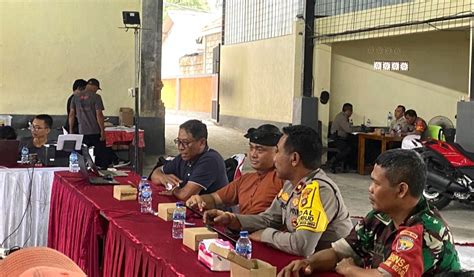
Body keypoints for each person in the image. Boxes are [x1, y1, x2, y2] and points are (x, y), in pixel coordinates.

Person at [278, 149, 460, 277]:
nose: (370, 189)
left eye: (377, 184)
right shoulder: (379, 217)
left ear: (401, 190)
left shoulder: (425, 230)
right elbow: (341, 252)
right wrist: (309, 263)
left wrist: (350, 270)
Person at [203, 125, 352, 257]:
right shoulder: (291, 184)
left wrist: (265, 235)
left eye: (278, 152)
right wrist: (232, 219)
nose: (274, 159)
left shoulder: (318, 190)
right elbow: (270, 219)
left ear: (294, 158)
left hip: (330, 267)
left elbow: (302, 245)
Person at [186, 124, 284, 215]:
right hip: (241, 231)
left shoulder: (284, 181)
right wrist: (199, 200)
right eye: (251, 148)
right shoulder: (246, 179)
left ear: (277, 151)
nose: (253, 154)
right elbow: (215, 198)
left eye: (260, 150)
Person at [150, 119, 229, 201]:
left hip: (212, 212)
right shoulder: (185, 157)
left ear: (202, 143)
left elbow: (185, 195)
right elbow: (154, 175)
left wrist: (173, 189)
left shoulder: (210, 160)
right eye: (178, 141)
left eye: (186, 142)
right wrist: (163, 177)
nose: (180, 147)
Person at [68, 78, 109, 168]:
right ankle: (99, 173)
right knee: (99, 157)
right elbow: (99, 114)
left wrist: (71, 130)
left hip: (81, 131)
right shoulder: (96, 97)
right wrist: (102, 130)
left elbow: (71, 115)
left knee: (83, 156)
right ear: (94, 86)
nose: (96, 91)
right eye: (97, 88)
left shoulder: (75, 97)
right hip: (95, 131)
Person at [328, 103, 355, 172]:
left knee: (352, 146)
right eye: (351, 111)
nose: (351, 113)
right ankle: (333, 161)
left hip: (340, 138)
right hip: (336, 139)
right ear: (348, 111)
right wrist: (357, 129)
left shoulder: (343, 116)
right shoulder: (342, 117)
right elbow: (348, 129)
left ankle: (346, 166)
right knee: (347, 149)